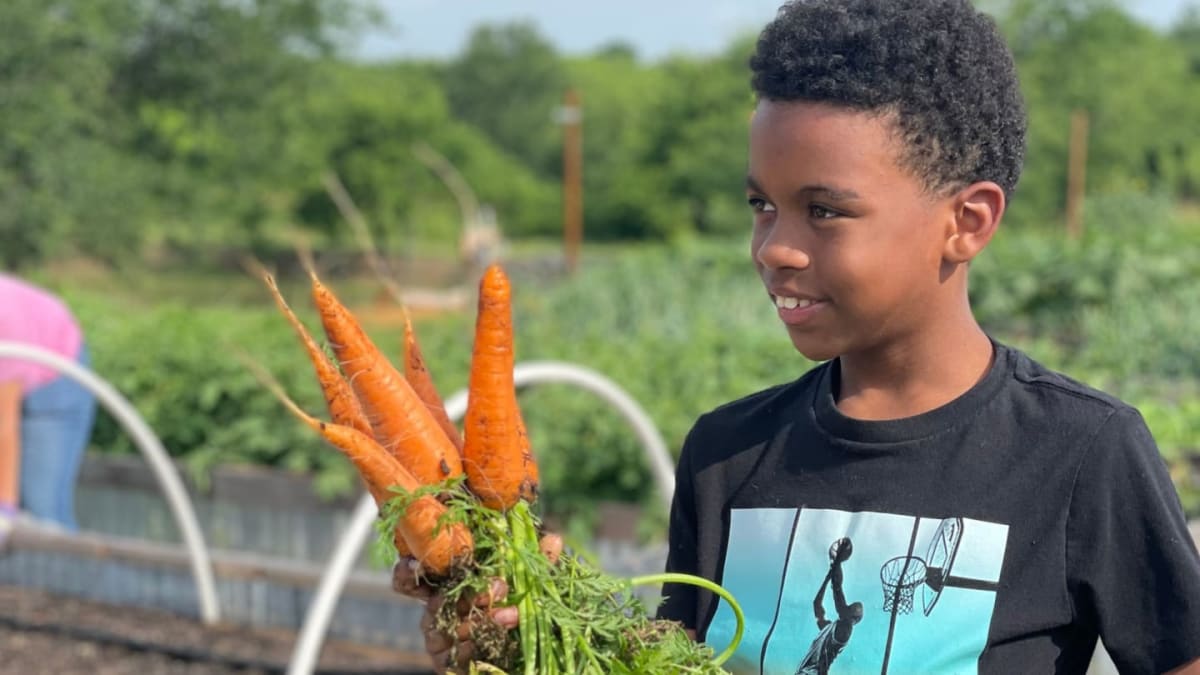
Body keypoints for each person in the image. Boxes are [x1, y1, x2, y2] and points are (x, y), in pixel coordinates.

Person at [398, 1, 1200, 673]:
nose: (776, 246)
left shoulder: (1080, 451)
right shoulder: (726, 454)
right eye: (762, 206)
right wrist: (515, 643)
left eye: (824, 210)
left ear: (967, 221)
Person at [0, 273, 97, 535]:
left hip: (54, 377)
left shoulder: (4, 320)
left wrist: (5, 508)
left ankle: (59, 557)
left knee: (42, 510)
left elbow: (4, 426)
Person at [796, 538, 862, 675]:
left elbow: (837, 591)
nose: (848, 607)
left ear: (853, 619)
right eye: (851, 606)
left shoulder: (845, 630)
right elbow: (816, 604)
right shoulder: (830, 629)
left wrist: (837, 563)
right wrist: (828, 577)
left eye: (852, 609)